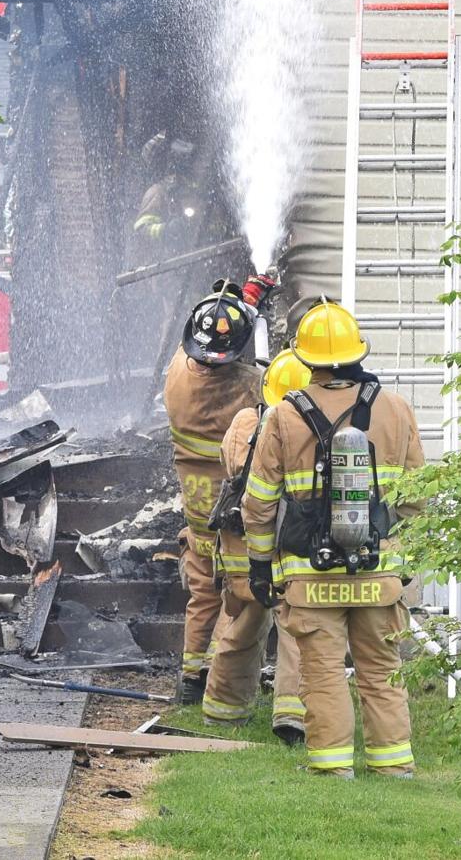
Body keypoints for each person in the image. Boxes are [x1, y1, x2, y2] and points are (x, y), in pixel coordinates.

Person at [241, 300, 424, 779]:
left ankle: (332, 767)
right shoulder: (397, 409)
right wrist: (403, 561)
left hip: (310, 578)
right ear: (358, 351)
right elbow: (417, 499)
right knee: (382, 672)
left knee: (321, 674)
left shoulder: (283, 415)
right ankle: (393, 765)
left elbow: (259, 502)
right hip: (378, 574)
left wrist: (259, 566)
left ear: (306, 361)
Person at [163, 280, 264, 705]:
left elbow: (211, 339)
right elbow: (273, 392)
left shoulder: (176, 375)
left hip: (197, 501)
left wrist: (245, 303)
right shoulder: (247, 385)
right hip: (234, 506)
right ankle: (220, 680)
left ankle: (189, 678)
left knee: (202, 591)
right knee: (236, 595)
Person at [202, 349, 308, 741]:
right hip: (280, 545)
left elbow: (230, 468)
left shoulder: (244, 422)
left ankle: (222, 711)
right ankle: (292, 717)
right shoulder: (301, 431)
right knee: (295, 626)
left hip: (237, 545)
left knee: (243, 625)